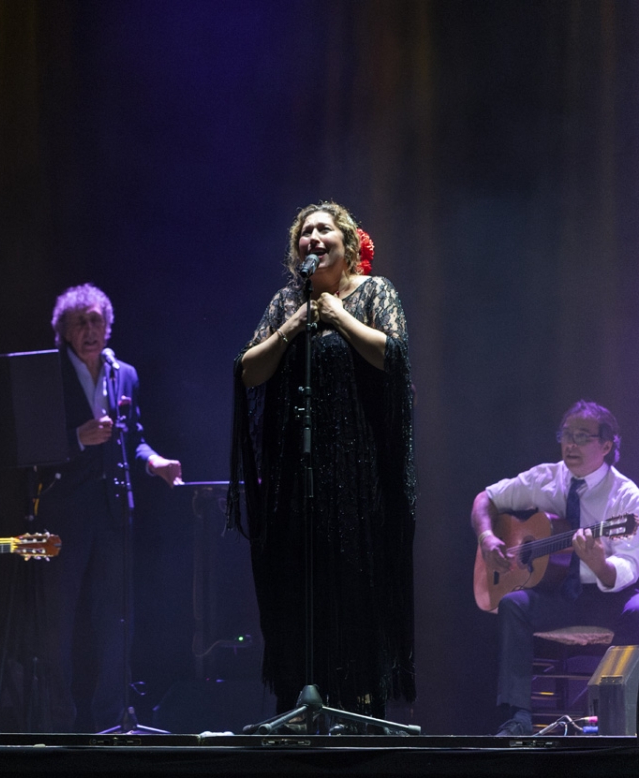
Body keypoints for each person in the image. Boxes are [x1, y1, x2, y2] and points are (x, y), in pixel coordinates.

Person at [228, 202, 416, 723]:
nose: (312, 237)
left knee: (354, 590)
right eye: (304, 233)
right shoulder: (286, 301)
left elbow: (393, 357)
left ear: (348, 244)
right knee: (297, 587)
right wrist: (292, 326)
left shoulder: (376, 294)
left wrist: (340, 317)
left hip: (359, 475)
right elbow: (248, 371)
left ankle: (358, 709)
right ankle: (298, 707)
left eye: (323, 229)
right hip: (297, 475)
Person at [33, 283, 182, 732]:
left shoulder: (125, 374)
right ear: (64, 330)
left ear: (108, 325)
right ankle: (58, 720)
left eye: (96, 320)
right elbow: (30, 445)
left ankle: (113, 717)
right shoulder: (49, 372)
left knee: (116, 619)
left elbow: (133, 438)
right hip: (63, 513)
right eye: (80, 322)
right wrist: (78, 437)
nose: (90, 329)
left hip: (114, 511)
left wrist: (155, 462)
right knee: (58, 622)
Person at [472, 400, 639, 737]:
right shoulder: (546, 478)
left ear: (607, 446)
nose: (570, 444)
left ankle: (612, 716)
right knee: (512, 604)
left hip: (605, 597)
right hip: (558, 595)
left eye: (581, 437)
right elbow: (485, 499)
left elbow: (630, 566)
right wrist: (488, 536)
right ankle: (516, 719)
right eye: (566, 435)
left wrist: (599, 564)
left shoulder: (626, 497)